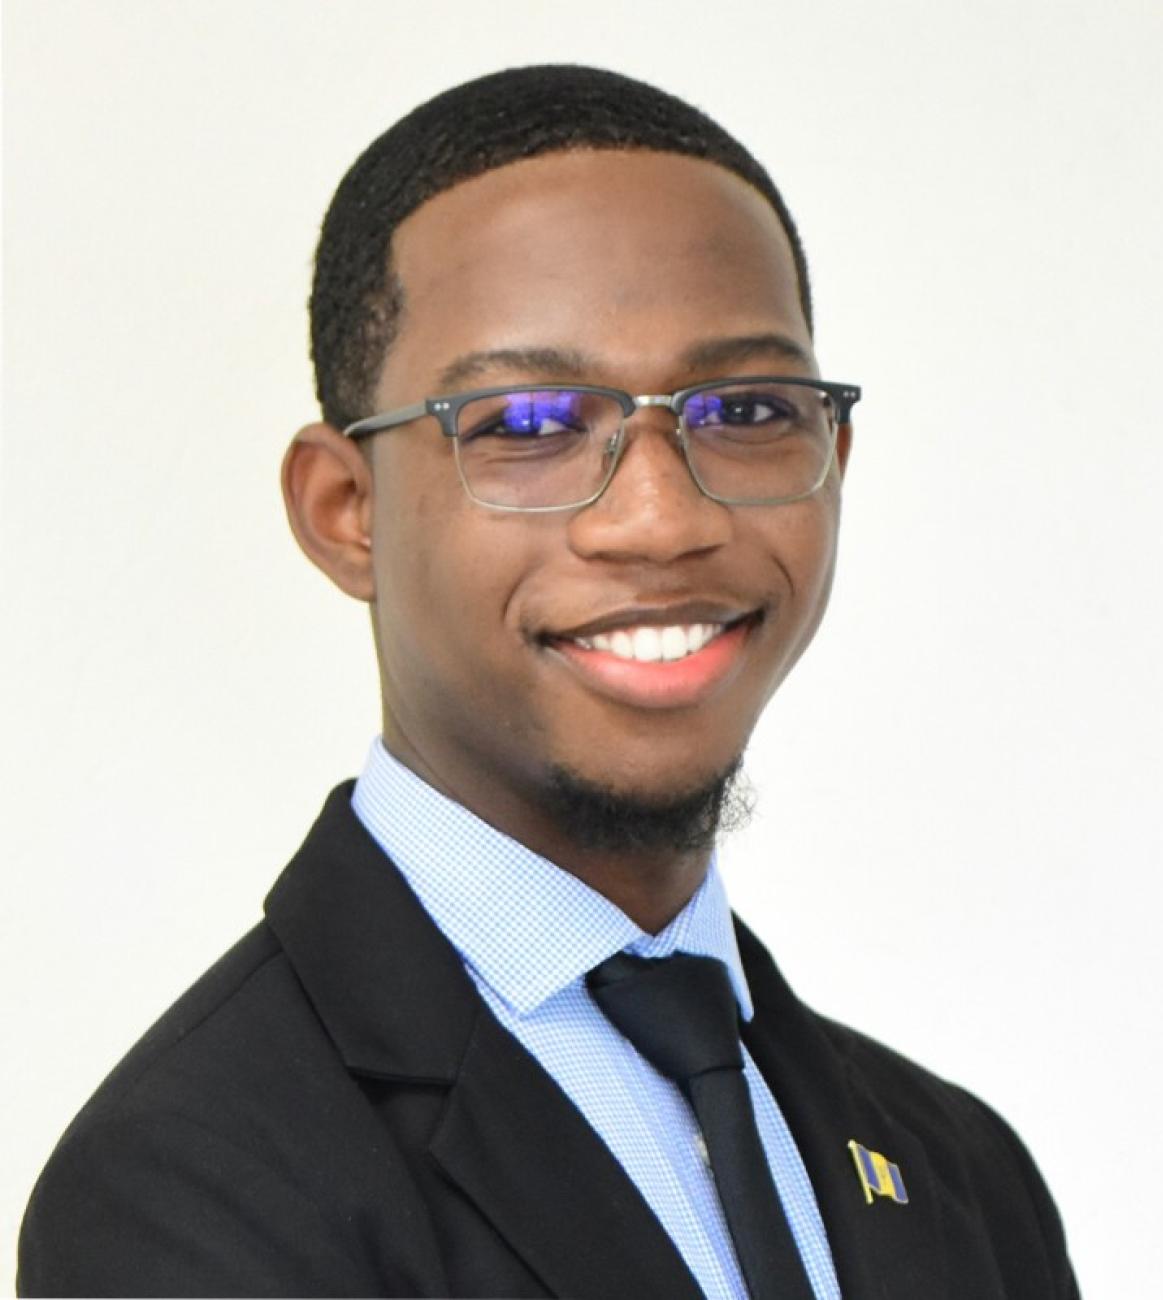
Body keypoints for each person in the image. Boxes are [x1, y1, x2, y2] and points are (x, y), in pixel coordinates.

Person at [18, 65, 1078, 1299]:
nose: (659, 518)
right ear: (346, 510)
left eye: (743, 406)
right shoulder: (190, 1188)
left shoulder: (961, 1172)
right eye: (527, 423)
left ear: (830, 459)